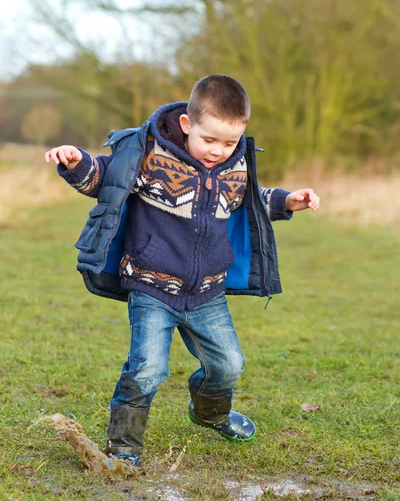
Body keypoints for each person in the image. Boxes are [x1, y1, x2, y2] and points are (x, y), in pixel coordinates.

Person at [45, 74, 319, 466]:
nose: (218, 151)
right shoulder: (150, 156)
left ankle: (209, 413)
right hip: (151, 287)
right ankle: (123, 450)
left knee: (228, 364)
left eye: (228, 143)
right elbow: (105, 178)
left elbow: (250, 200)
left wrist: (288, 200)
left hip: (208, 292)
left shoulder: (234, 168)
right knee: (147, 370)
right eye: (209, 140)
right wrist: (76, 163)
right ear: (188, 125)